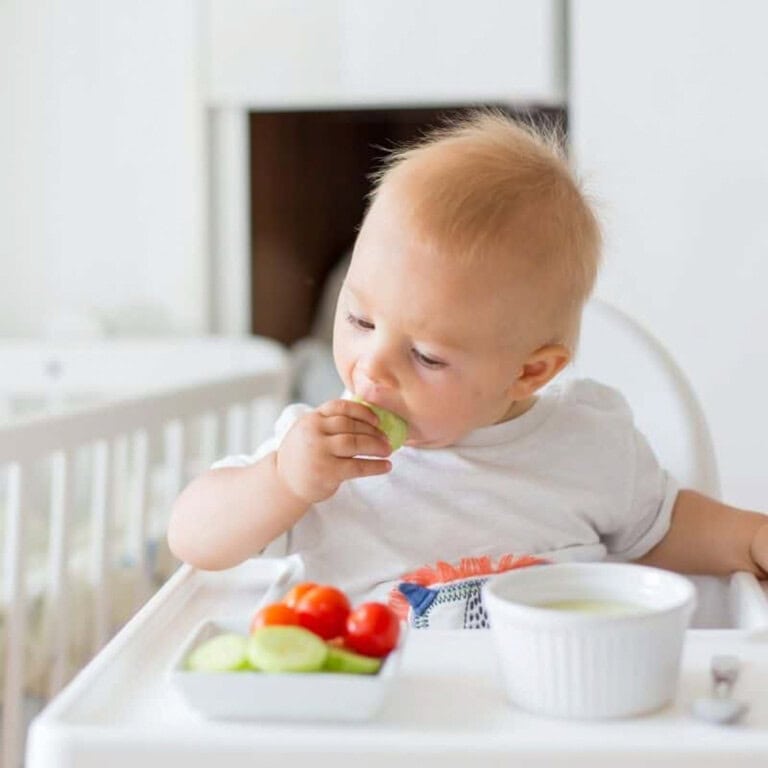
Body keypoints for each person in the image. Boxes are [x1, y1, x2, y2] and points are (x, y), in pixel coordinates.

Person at [167, 111, 768, 605]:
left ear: (531, 372)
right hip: (381, 717)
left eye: (426, 356)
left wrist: (750, 539)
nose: (372, 366)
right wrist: (282, 481)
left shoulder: (587, 445)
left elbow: (662, 531)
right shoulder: (325, 457)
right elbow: (194, 538)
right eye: (359, 320)